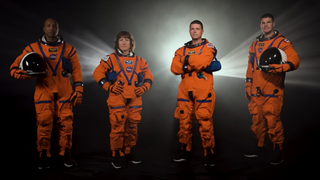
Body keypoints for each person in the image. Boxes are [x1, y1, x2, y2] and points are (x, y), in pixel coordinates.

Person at [9, 18, 83, 169]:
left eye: (54, 26)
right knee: (44, 124)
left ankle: (66, 154)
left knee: (66, 123)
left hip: (64, 92)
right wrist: (22, 75)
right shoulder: (33, 48)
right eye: (48, 26)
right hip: (44, 92)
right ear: (44, 28)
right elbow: (14, 68)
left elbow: (76, 71)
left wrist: (79, 90)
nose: (51, 28)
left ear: (58, 28)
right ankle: (44, 155)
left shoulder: (69, 49)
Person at [244, 13, 300, 165]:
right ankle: (260, 147)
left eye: (268, 22)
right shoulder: (255, 44)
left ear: (273, 24)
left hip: (272, 88)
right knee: (257, 120)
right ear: (260, 25)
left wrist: (279, 68)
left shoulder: (282, 42)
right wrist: (248, 84)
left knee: (272, 120)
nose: (265, 25)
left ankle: (278, 150)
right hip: (256, 88)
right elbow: (251, 67)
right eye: (263, 23)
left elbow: (294, 61)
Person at [92, 31, 154, 169]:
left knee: (132, 127)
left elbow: (149, 76)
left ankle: (129, 153)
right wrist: (108, 86)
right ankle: (117, 155)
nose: (124, 42)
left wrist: (144, 88)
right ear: (117, 43)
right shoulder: (110, 59)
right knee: (117, 127)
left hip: (134, 98)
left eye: (127, 40)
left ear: (131, 43)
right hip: (117, 97)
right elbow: (97, 73)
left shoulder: (140, 61)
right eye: (121, 40)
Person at [170, 20, 221, 167]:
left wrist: (185, 62)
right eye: (192, 29)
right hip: (185, 90)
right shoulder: (181, 49)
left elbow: (202, 63)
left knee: (205, 122)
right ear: (189, 31)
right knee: (184, 122)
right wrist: (190, 64)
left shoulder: (209, 47)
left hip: (203, 90)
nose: (194, 31)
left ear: (202, 31)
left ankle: (209, 153)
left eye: (197, 29)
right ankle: (184, 151)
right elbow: (174, 68)